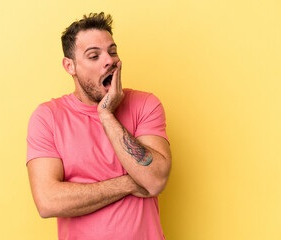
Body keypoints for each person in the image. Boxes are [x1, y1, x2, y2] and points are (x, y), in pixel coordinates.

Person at [26, 12, 172, 240]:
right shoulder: (48, 117)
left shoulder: (145, 104)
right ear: (70, 66)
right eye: (94, 56)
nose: (109, 60)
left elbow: (154, 180)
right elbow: (47, 201)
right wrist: (128, 183)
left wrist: (105, 114)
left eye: (112, 52)